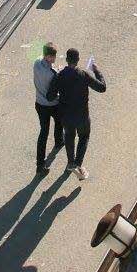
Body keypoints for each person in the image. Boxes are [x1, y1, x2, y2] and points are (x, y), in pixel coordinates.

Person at [51, 49, 106, 179]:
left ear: (66, 60)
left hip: (66, 116)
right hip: (82, 115)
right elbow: (102, 87)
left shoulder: (60, 75)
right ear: (78, 59)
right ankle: (78, 163)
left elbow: (50, 95)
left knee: (69, 136)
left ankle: (71, 162)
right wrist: (96, 70)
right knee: (84, 137)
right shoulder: (83, 74)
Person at [32, 42, 62, 173]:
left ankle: (40, 164)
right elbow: (56, 89)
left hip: (39, 104)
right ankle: (59, 140)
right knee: (59, 121)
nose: (54, 59)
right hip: (52, 104)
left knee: (43, 132)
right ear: (48, 56)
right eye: (53, 57)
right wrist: (59, 71)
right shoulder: (52, 73)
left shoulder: (37, 63)